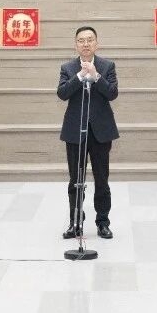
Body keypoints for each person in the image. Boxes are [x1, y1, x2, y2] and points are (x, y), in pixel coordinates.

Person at [57, 26, 120, 240]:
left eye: (90, 40)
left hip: (101, 132)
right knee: (76, 180)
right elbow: (62, 93)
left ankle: (103, 222)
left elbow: (112, 93)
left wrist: (96, 76)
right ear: (76, 44)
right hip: (75, 131)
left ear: (96, 44)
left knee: (102, 179)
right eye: (81, 40)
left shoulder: (107, 66)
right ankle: (75, 222)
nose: (86, 44)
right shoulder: (67, 68)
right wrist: (79, 76)